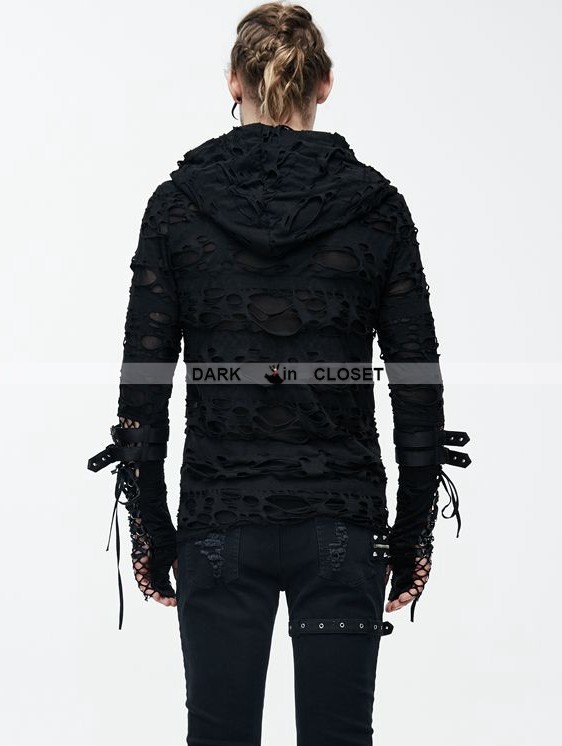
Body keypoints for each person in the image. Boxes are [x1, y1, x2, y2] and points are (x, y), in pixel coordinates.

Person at [87, 2, 471, 743]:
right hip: (344, 525)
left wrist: (152, 529)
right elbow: (417, 386)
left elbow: (143, 387)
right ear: (324, 84)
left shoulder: (176, 208)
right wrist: (413, 533)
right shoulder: (377, 208)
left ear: (234, 82)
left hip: (217, 525)